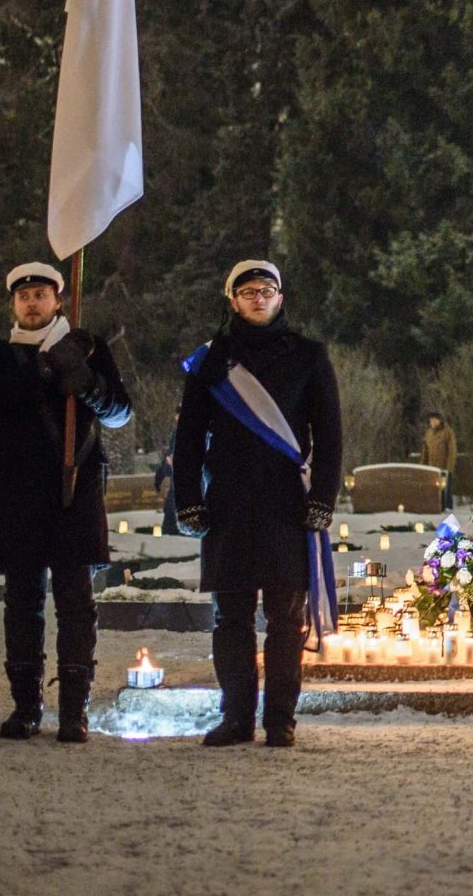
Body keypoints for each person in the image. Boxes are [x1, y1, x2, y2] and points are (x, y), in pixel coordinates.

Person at [174, 260, 342, 748]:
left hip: (287, 502)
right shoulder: (210, 361)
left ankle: (280, 720)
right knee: (231, 617)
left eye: (267, 290)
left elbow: (329, 437)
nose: (258, 298)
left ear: (280, 298)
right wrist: (188, 500)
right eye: (248, 292)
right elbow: (187, 439)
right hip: (227, 500)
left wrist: (323, 500)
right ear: (233, 301)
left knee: (287, 619)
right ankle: (236, 717)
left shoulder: (310, 356)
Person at [0, 262, 132, 742]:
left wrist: (87, 382)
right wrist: (47, 367)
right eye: (24, 297)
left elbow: (120, 411)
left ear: (59, 300)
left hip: (73, 490)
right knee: (22, 602)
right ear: (13, 305)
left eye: (41, 294)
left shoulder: (88, 346)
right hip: (17, 494)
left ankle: (73, 710)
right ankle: (25, 707)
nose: (32, 303)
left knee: (75, 602)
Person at [423, 411, 457, 510]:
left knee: (445, 492)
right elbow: (425, 450)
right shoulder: (429, 433)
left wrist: (449, 468)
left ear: (439, 420)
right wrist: (424, 466)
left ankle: (448, 509)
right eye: (430, 421)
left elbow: (452, 451)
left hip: (443, 468)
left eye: (434, 420)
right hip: (431, 468)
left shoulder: (447, 432)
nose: (432, 422)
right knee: (432, 491)